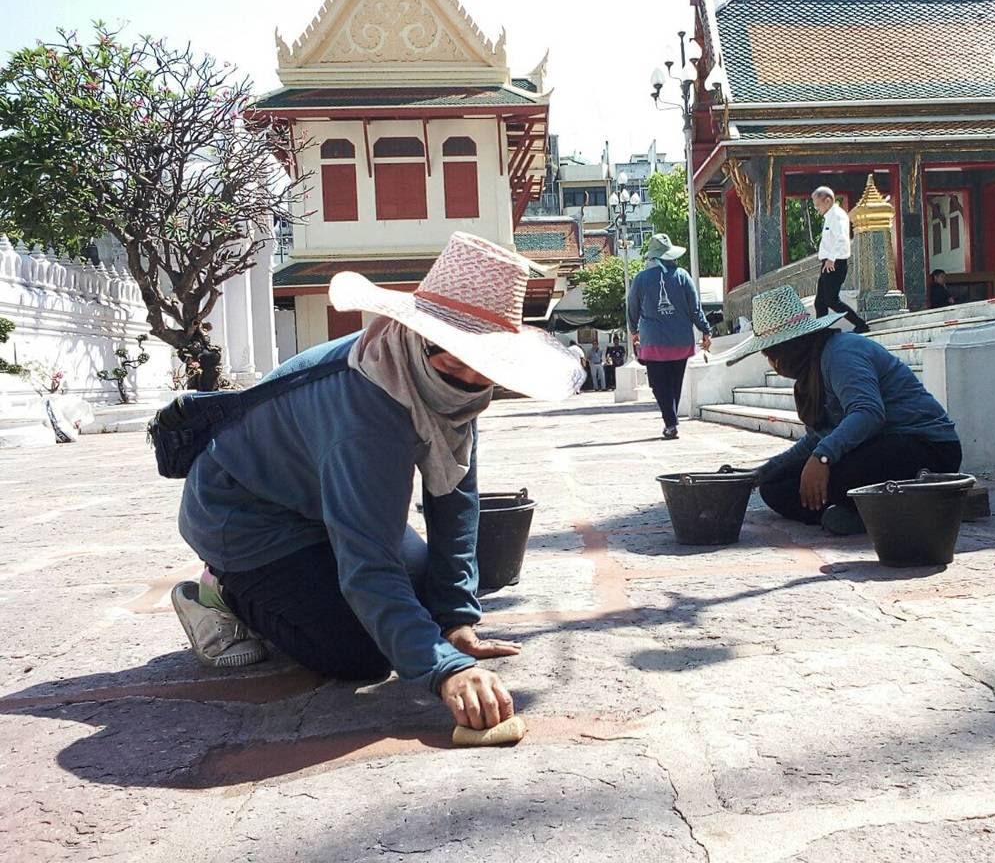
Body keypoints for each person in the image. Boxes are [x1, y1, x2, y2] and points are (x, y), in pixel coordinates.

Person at [169, 233, 584, 731]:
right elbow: (368, 564)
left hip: (323, 499)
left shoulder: (445, 381)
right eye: (453, 358)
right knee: (360, 657)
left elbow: (454, 497)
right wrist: (445, 671)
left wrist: (456, 619)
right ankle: (220, 593)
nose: (468, 379)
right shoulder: (367, 408)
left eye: (484, 369)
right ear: (418, 332)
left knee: (424, 604)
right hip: (244, 515)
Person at [731, 285, 962, 535]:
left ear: (789, 348)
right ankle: (855, 512)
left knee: (839, 476)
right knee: (775, 486)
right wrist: (763, 472)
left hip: (923, 445)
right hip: (873, 444)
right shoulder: (812, 371)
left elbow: (868, 412)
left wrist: (823, 457)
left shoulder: (841, 353)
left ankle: (879, 512)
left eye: (772, 355)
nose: (773, 365)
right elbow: (816, 438)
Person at [627, 233, 712, 440]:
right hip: (681, 341)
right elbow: (695, 309)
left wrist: (634, 331)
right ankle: (671, 420)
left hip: (654, 343)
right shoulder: (683, 275)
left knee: (658, 385)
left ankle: (671, 422)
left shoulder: (640, 279)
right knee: (675, 383)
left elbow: (632, 308)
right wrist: (706, 330)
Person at [811, 187, 871, 332]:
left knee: (831, 300)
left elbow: (842, 240)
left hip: (835, 263)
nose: (816, 208)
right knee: (820, 302)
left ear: (828, 200)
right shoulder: (829, 217)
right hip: (828, 263)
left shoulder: (837, 216)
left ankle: (861, 325)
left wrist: (831, 259)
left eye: (818, 204)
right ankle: (822, 331)